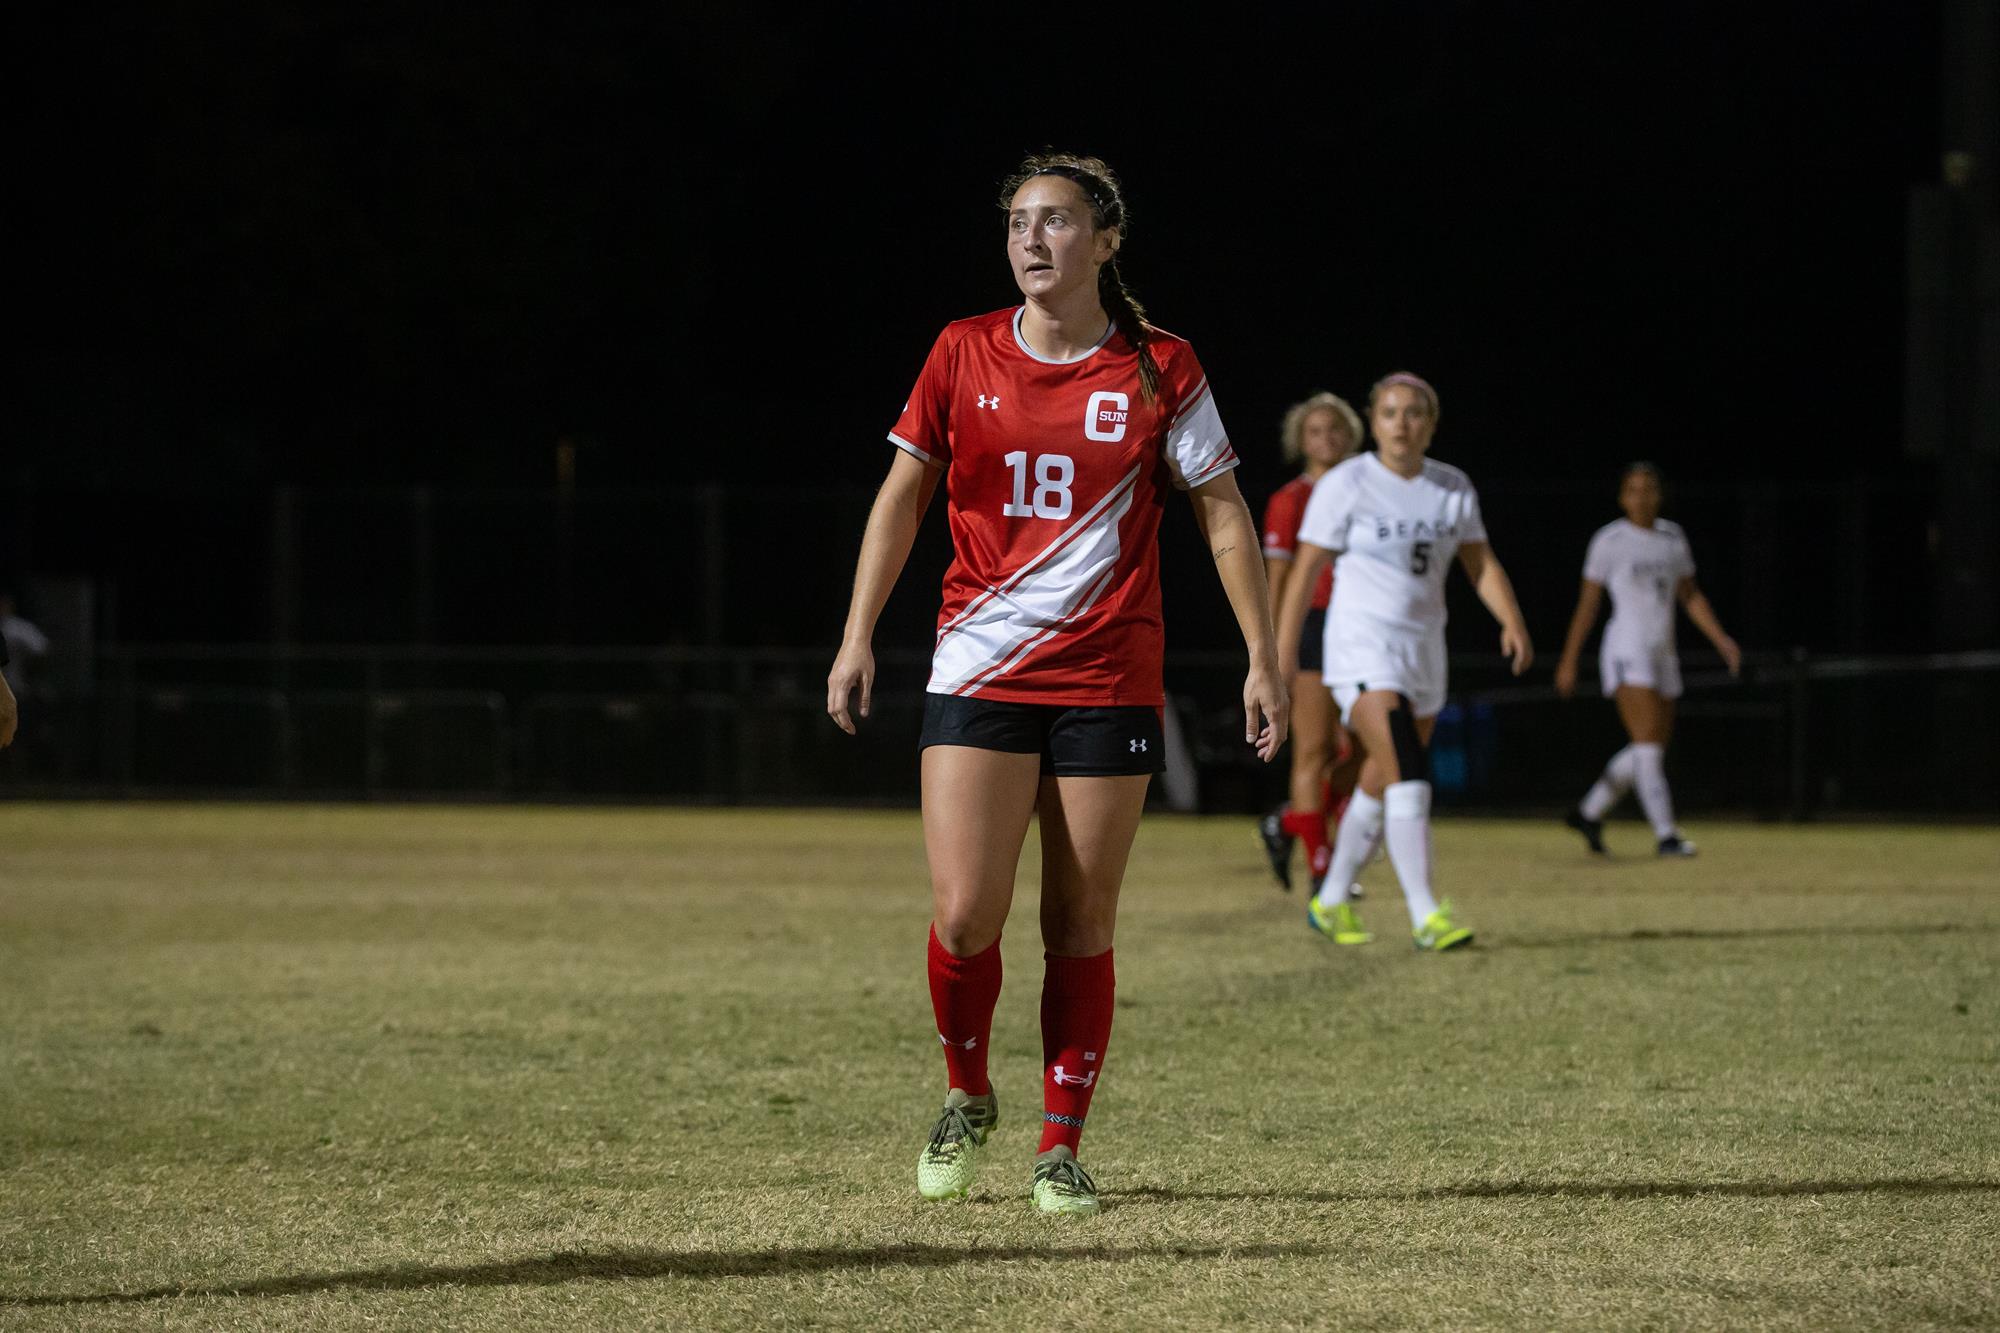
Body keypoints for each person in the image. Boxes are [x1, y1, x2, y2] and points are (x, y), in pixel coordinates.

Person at [826, 154, 1286, 1215]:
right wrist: (856, 634)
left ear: (1107, 240)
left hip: (1107, 676)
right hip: (979, 666)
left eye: (1057, 222)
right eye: (1018, 224)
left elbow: (1220, 511)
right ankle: (964, 1093)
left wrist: (1261, 656)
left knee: (1078, 917)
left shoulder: (1158, 364)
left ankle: (1058, 1144)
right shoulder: (961, 350)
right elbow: (900, 499)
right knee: (962, 912)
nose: (1032, 240)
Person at [1275, 372, 1532, 950]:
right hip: (1361, 649)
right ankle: (1426, 915)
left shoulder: (1451, 487)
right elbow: (1305, 571)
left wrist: (1510, 619)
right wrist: (1281, 655)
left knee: (1378, 778)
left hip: (1423, 651)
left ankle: (1332, 900)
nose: (1401, 423)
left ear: (1431, 423)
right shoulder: (1346, 483)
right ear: (1375, 420)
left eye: (1414, 413)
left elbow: (1480, 563)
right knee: (1410, 770)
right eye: (1390, 412)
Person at [1554, 463, 1741, 855]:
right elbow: (1588, 605)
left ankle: (1588, 812)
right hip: (1626, 648)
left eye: (1649, 489)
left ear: (1660, 494)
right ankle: (1666, 835)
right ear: (1622, 497)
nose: (1642, 497)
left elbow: (1689, 595)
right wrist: (1569, 659)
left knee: (1649, 746)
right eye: (1633, 490)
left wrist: (1721, 638)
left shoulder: (1672, 538)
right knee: (1648, 747)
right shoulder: (1610, 540)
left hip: (1662, 650)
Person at [1255, 393, 1365, 894]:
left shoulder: (1367, 490)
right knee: (1315, 750)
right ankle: (1323, 870)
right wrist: (1276, 647)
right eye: (1316, 430)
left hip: (1365, 626)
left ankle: (1292, 819)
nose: (1327, 439)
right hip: (1315, 626)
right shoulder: (1290, 500)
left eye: (1336, 429)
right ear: (1301, 440)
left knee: (1368, 752)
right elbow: (1277, 579)